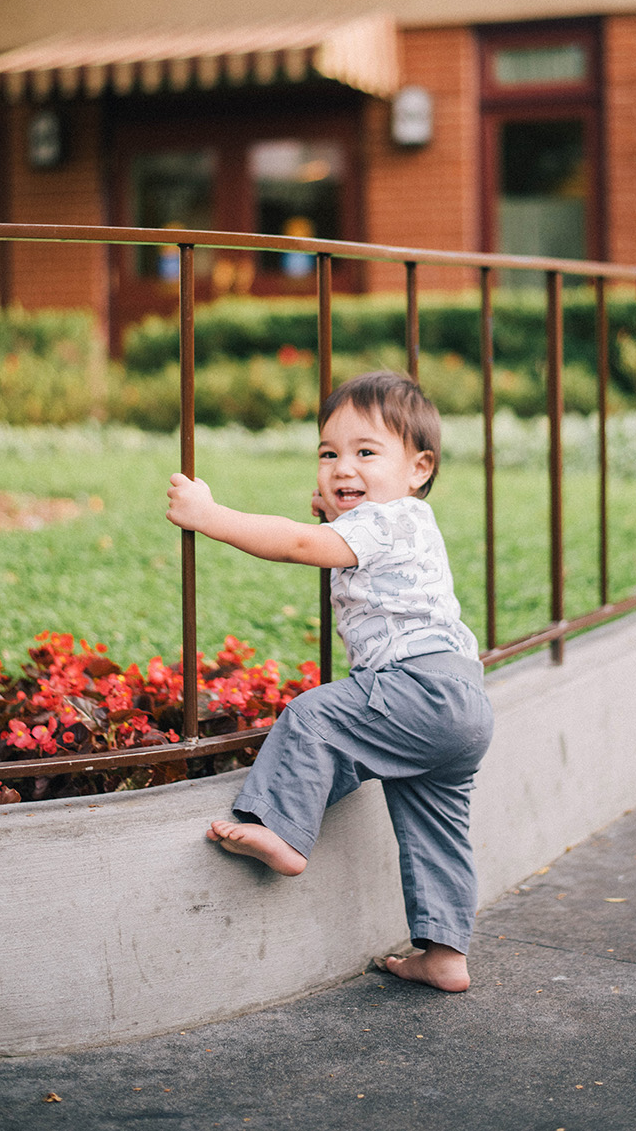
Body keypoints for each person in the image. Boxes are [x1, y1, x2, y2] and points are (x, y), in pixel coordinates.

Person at [166, 370, 494, 992]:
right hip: (462, 703)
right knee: (435, 826)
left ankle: (281, 830)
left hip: (418, 687)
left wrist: (208, 515)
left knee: (315, 716)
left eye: (366, 453)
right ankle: (446, 954)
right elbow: (327, 531)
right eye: (328, 453)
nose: (343, 467)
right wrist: (332, 512)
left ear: (418, 469)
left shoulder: (395, 518)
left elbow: (296, 544)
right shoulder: (396, 523)